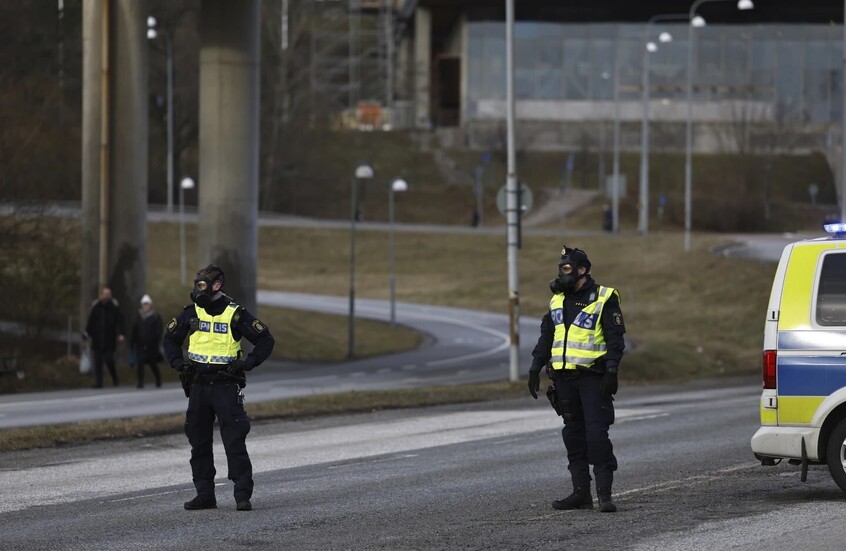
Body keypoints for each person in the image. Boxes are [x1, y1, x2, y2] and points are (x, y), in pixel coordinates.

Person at [163, 264, 275, 512]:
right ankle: (205, 495)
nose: (198, 289)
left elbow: (265, 340)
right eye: (196, 285)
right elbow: (170, 339)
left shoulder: (235, 314)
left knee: (234, 442)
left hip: (226, 385)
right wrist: (179, 364)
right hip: (198, 386)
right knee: (199, 442)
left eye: (202, 285)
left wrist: (247, 363)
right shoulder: (191, 312)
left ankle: (242, 494)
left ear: (217, 285)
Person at [528, 246, 626, 513]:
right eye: (561, 268)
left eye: (567, 268)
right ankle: (581, 493)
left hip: (593, 379)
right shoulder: (557, 300)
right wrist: (535, 368)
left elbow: (615, 340)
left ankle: (604, 495)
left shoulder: (604, 298)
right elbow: (547, 337)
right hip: (564, 380)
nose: (562, 273)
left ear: (583, 270)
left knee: (596, 435)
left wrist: (612, 371)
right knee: (573, 436)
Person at [84, 286, 125, 388]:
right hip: (97, 339)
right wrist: (87, 333)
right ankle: (99, 383)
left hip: (109, 339)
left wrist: (121, 333)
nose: (106, 296)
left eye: (108, 294)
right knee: (98, 362)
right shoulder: (96, 307)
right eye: (105, 294)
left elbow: (120, 321)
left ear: (110, 296)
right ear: (101, 295)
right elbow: (91, 322)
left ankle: (114, 377)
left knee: (109, 360)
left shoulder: (114, 308)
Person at [130, 294, 164, 389]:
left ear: (150, 305)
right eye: (144, 304)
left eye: (147, 304)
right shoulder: (138, 317)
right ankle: (140, 382)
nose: (145, 306)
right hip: (140, 345)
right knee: (140, 363)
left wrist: (156, 340)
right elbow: (134, 331)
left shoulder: (155, 317)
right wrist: (132, 343)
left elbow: (159, 330)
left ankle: (158, 379)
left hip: (151, 345)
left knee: (152, 363)